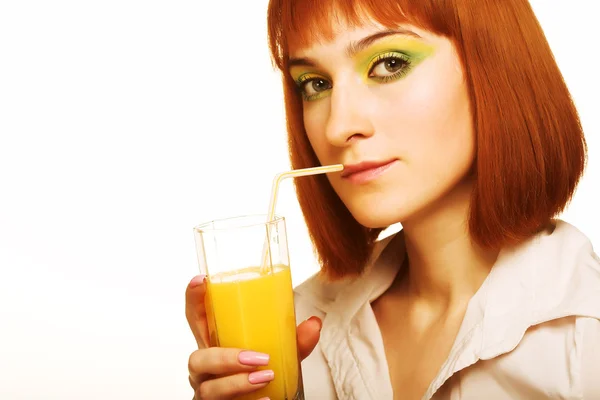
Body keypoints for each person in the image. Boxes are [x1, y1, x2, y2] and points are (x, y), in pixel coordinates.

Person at [186, 0, 600, 398]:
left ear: (493, 63)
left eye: (389, 64)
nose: (338, 126)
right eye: (315, 84)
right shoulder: (298, 332)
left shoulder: (584, 340)